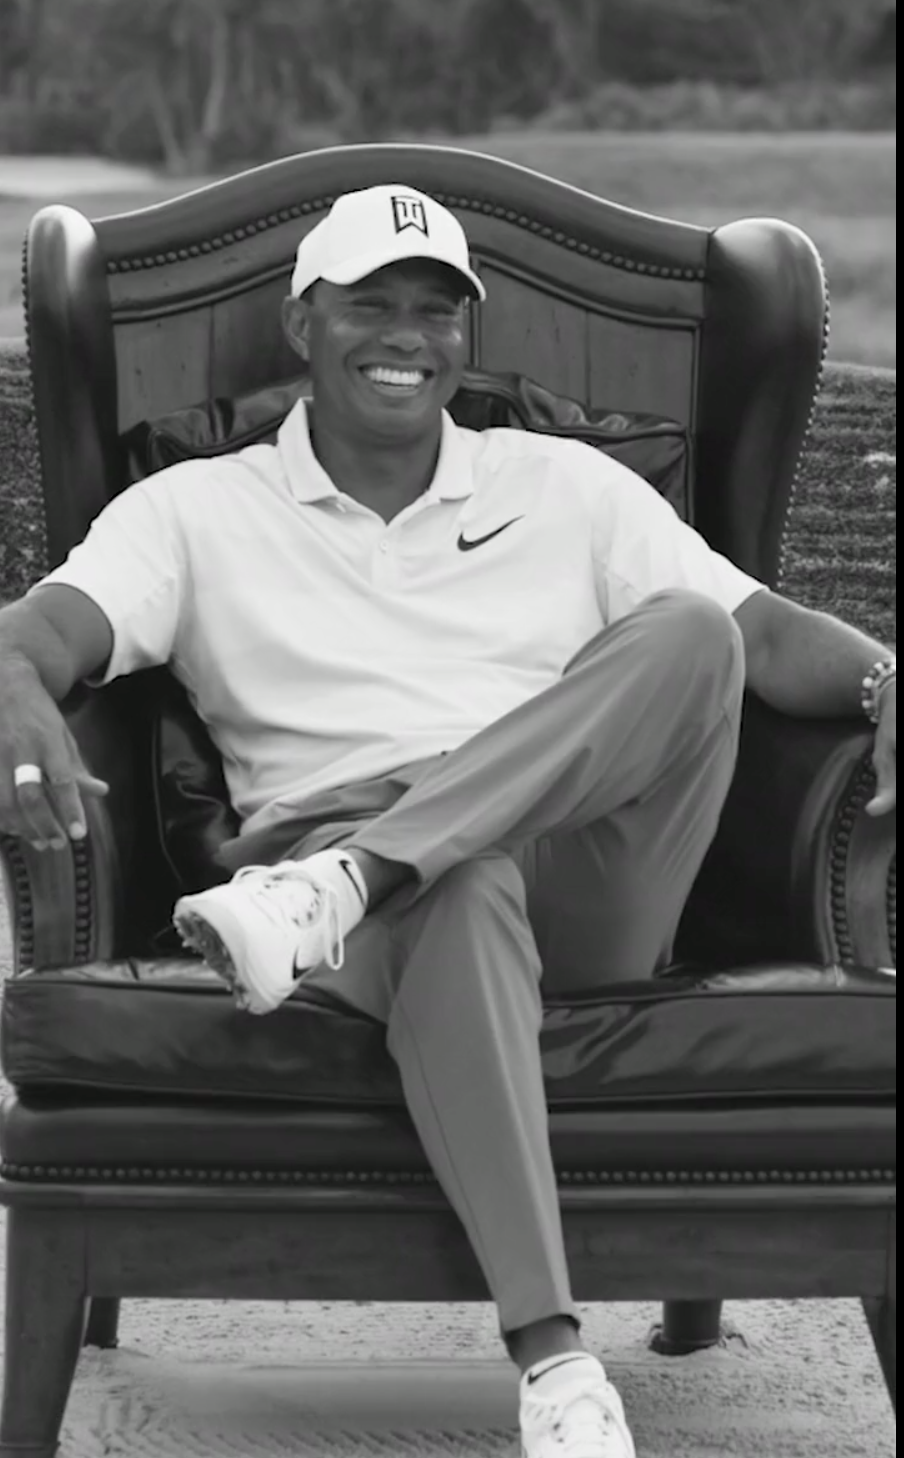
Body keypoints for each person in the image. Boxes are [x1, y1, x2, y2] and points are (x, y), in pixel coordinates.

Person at [0, 183, 895, 1458]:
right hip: (357, 885)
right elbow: (49, 628)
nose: (407, 335)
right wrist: (7, 673)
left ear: (466, 335)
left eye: (437, 309)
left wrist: (886, 681)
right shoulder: (194, 510)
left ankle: (357, 880)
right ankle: (557, 1366)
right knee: (459, 883)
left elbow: (762, 638)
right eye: (371, 304)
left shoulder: (568, 487)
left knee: (690, 632)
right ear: (301, 321)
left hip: (567, 879)